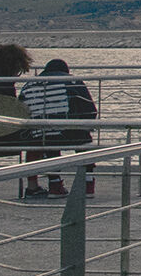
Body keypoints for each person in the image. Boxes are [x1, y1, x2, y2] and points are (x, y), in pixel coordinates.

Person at [18, 58, 98, 198]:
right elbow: (90, 110)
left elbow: (21, 111)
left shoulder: (28, 85)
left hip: (40, 136)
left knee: (49, 137)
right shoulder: (72, 81)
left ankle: (55, 184)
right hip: (70, 133)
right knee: (84, 140)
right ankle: (88, 184)